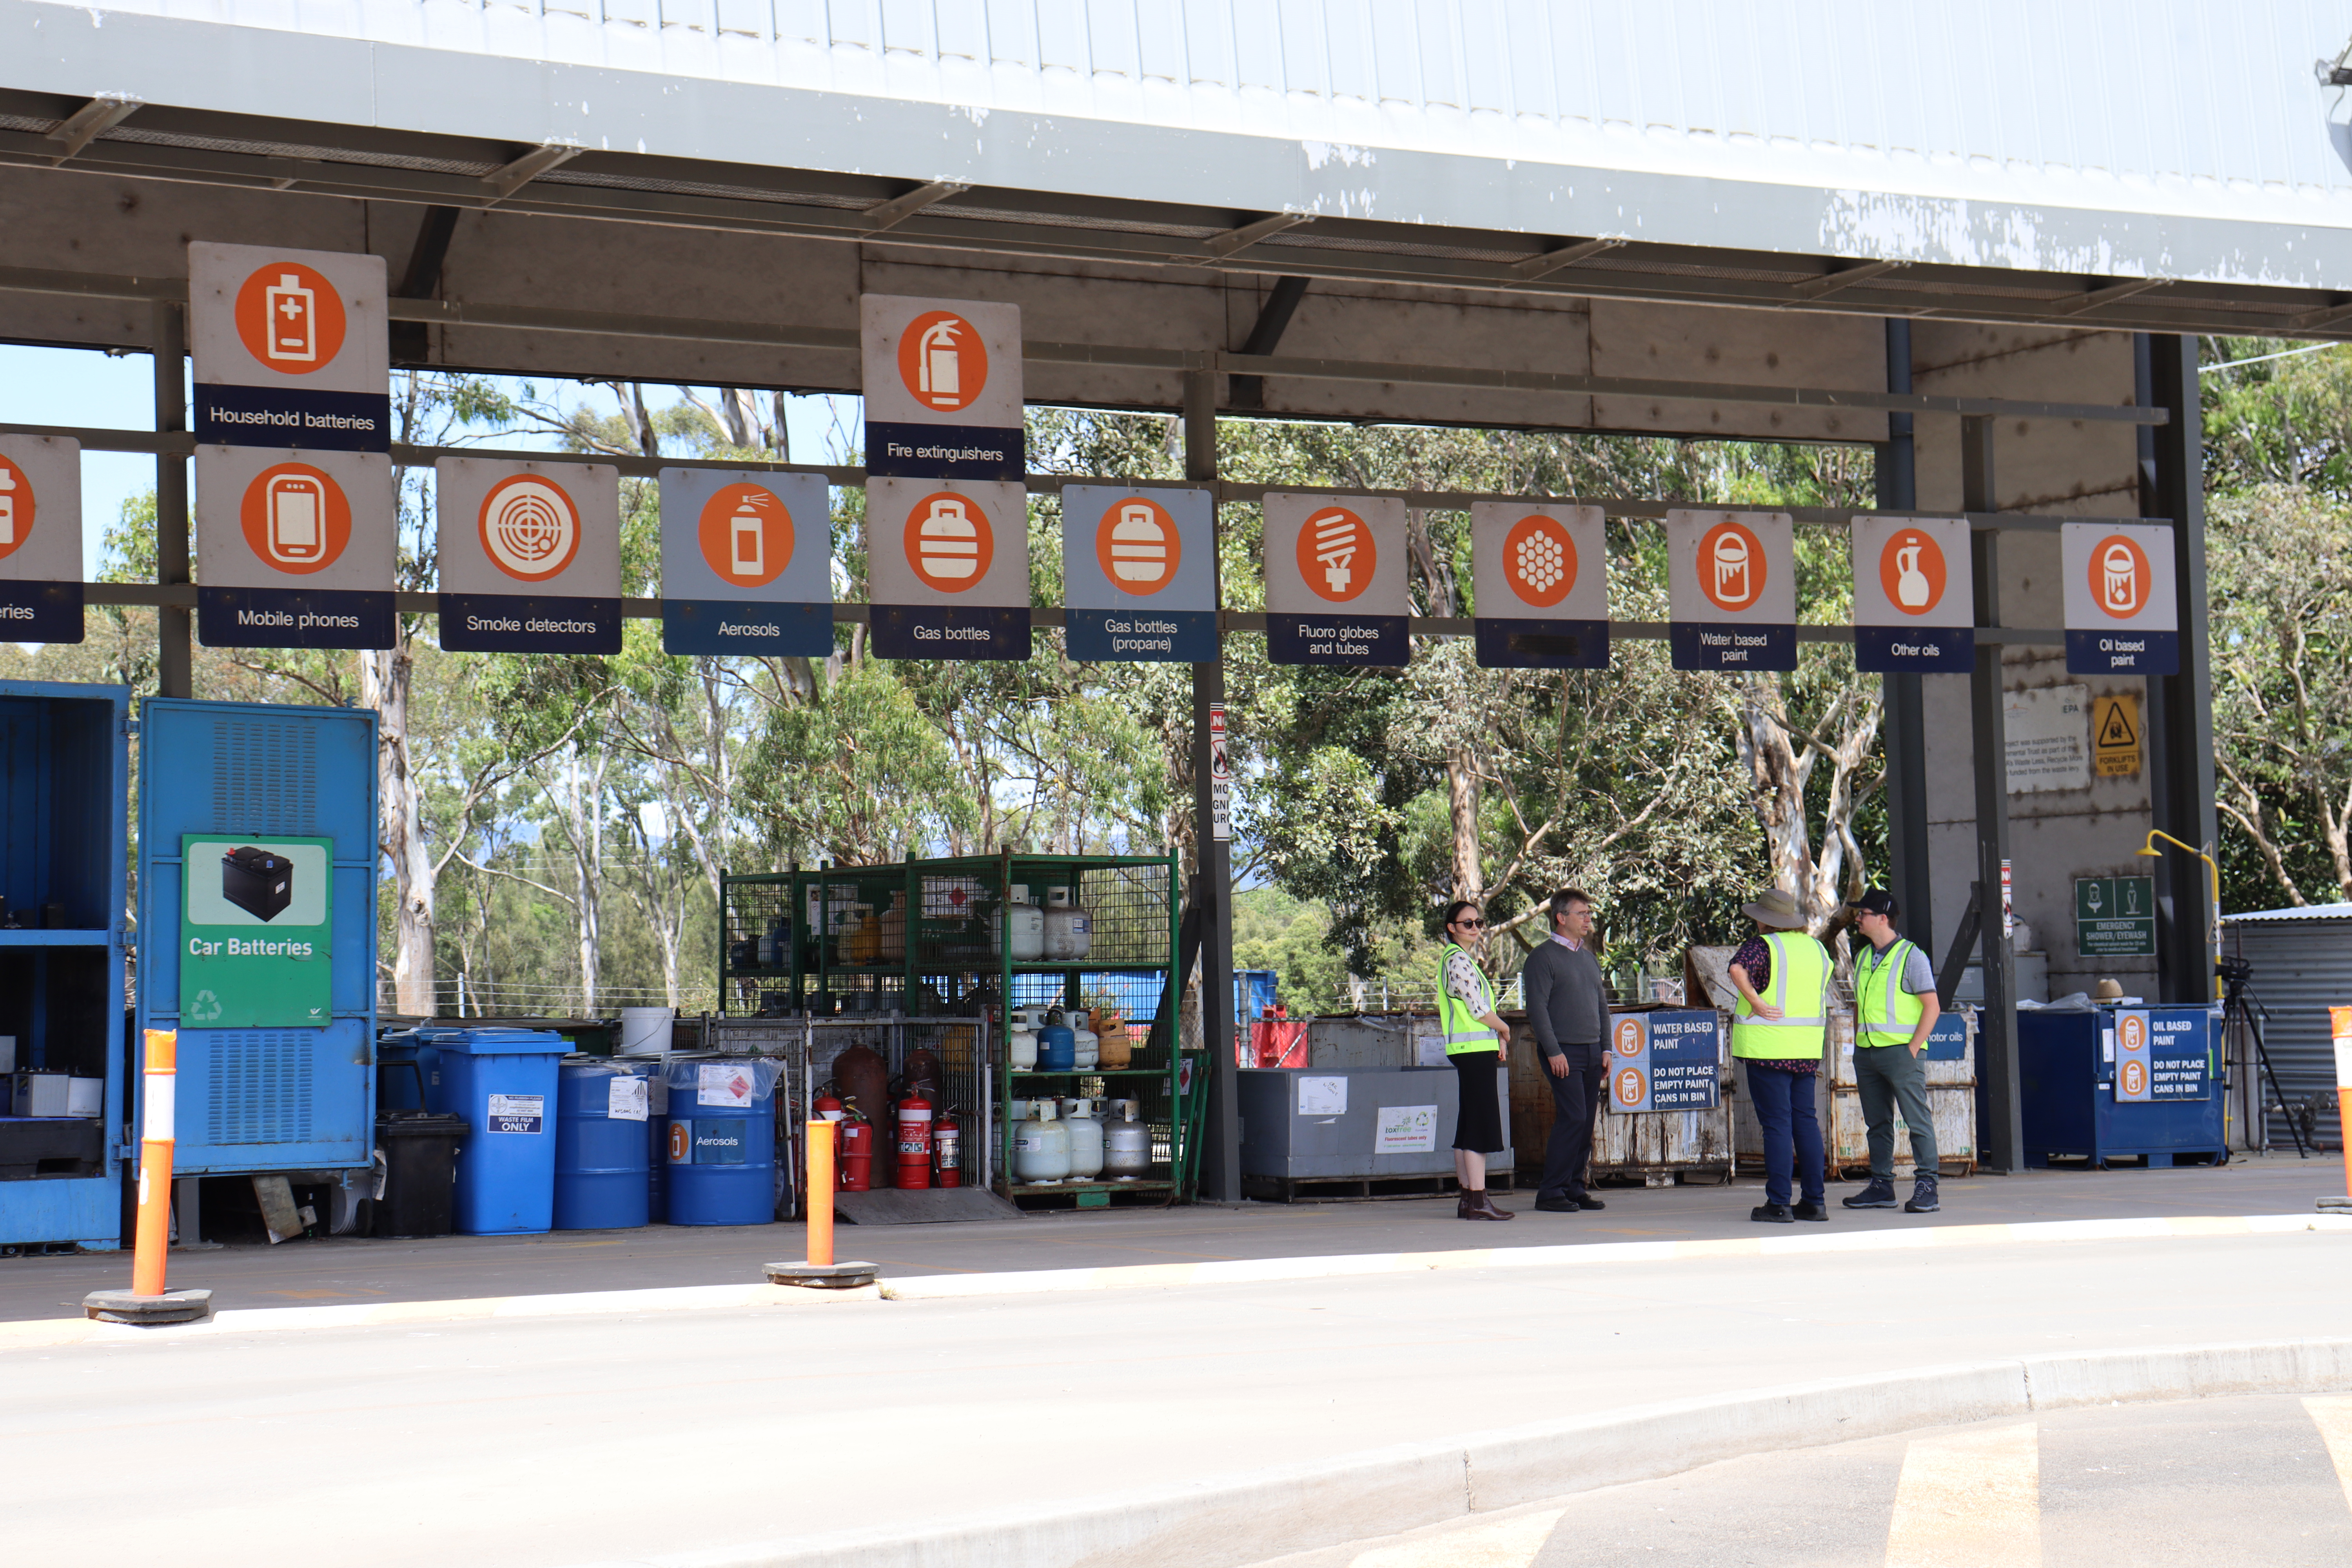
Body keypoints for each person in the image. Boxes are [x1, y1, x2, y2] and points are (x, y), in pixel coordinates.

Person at [1728, 886, 1832, 1223]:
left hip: (1769, 1048)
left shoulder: (1763, 946)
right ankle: (1815, 1202)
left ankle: (1779, 1204)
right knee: (1805, 1121)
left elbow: (1737, 970)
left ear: (1764, 921)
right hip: (1805, 1049)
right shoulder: (1817, 949)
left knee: (1776, 1125)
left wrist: (1756, 1002)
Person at [1842, 888, 1943, 1214]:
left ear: (1882, 919)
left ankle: (1928, 1185)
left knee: (1917, 1121)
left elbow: (1932, 1006)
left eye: (1864, 914)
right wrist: (1858, 1042)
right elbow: (1860, 1005)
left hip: (1901, 1053)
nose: (1858, 919)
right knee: (1878, 1123)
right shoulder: (1861, 958)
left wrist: (1913, 1048)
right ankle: (1881, 1185)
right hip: (1868, 1052)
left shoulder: (1912, 956)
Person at [1521, 887, 1609, 1214]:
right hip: (1563, 1052)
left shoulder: (1588, 958)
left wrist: (1607, 1049)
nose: (1588, 919)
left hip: (1591, 1051)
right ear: (1561, 918)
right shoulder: (1542, 958)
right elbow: (1538, 1011)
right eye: (1582, 913)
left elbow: (1601, 1006)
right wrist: (1553, 1050)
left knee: (1585, 1122)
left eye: (1589, 913)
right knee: (1573, 1117)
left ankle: (1575, 1187)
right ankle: (1550, 1191)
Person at [1436, 900, 1514, 1221]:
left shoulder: (1460, 960)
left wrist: (1496, 1035)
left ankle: (1469, 1199)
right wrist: (1505, 1029)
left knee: (1467, 1125)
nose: (1475, 928)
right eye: (1468, 923)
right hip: (1473, 1051)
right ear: (1452, 928)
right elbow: (1478, 1009)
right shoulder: (1458, 960)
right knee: (1479, 1126)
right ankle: (1479, 1200)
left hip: (1469, 1050)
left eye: (1478, 922)